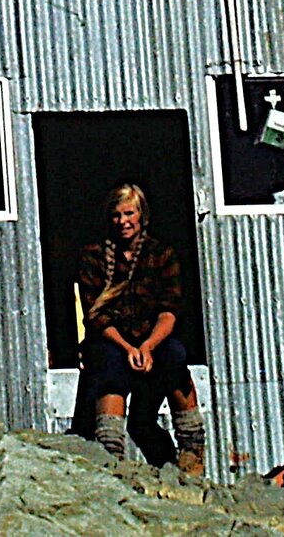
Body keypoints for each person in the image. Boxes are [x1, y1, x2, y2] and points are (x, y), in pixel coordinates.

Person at [73, 182, 206, 475]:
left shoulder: (161, 254)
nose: (123, 222)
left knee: (174, 357)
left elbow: (169, 310)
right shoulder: (94, 256)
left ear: (141, 215)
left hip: (153, 339)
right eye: (117, 215)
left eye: (129, 213)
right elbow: (96, 316)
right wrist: (128, 348)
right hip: (113, 340)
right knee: (108, 367)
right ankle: (111, 454)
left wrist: (147, 346)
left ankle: (191, 449)